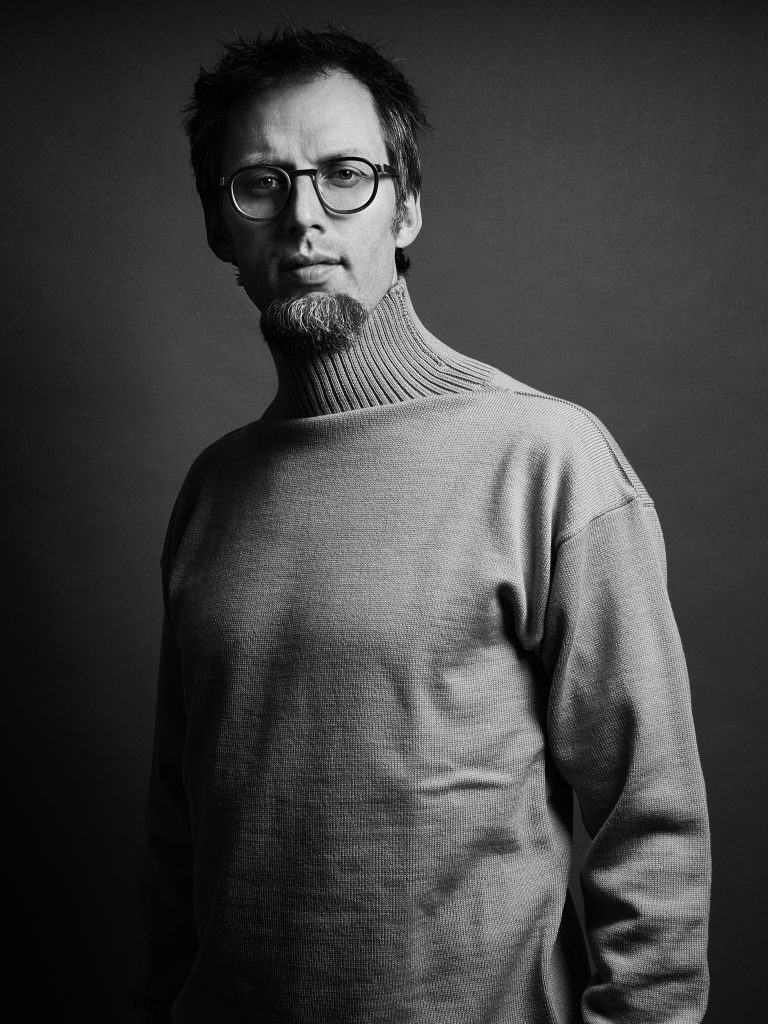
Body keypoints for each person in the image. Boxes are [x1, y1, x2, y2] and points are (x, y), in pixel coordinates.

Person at [130, 25, 711, 1024]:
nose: (303, 217)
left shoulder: (546, 458)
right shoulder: (211, 491)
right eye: (260, 184)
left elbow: (650, 819)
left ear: (405, 206)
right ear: (222, 232)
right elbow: (176, 836)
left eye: (344, 175)